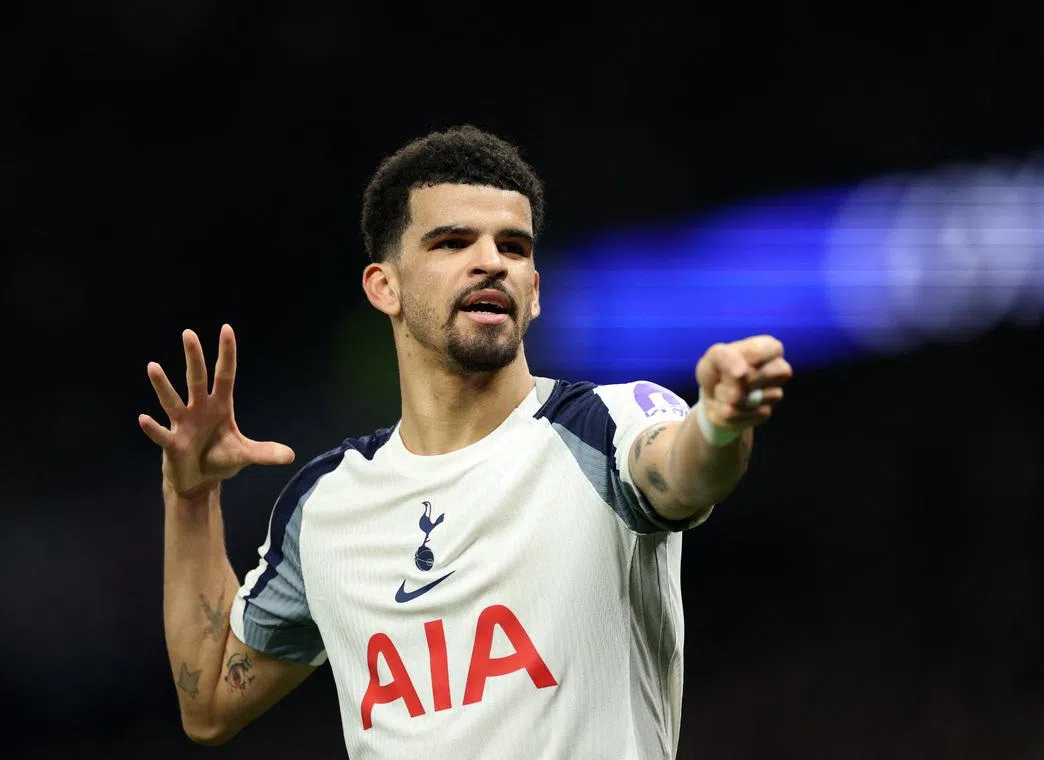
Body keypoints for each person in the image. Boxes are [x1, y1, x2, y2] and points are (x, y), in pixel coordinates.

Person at [139, 124, 793, 759]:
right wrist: (189, 494)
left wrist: (717, 422)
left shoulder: (604, 424)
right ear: (384, 286)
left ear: (534, 292)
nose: (490, 262)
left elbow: (682, 471)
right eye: (452, 242)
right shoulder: (327, 506)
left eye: (513, 247)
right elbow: (210, 706)